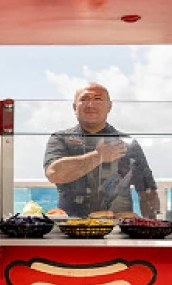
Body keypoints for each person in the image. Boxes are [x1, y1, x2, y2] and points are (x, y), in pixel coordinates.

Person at [43, 83, 159, 218]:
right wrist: (98, 156)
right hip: (70, 227)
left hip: (117, 228)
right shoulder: (61, 138)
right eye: (84, 99)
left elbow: (146, 190)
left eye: (98, 99)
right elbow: (54, 173)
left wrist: (151, 227)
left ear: (109, 106)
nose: (91, 104)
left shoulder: (128, 143)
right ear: (75, 107)